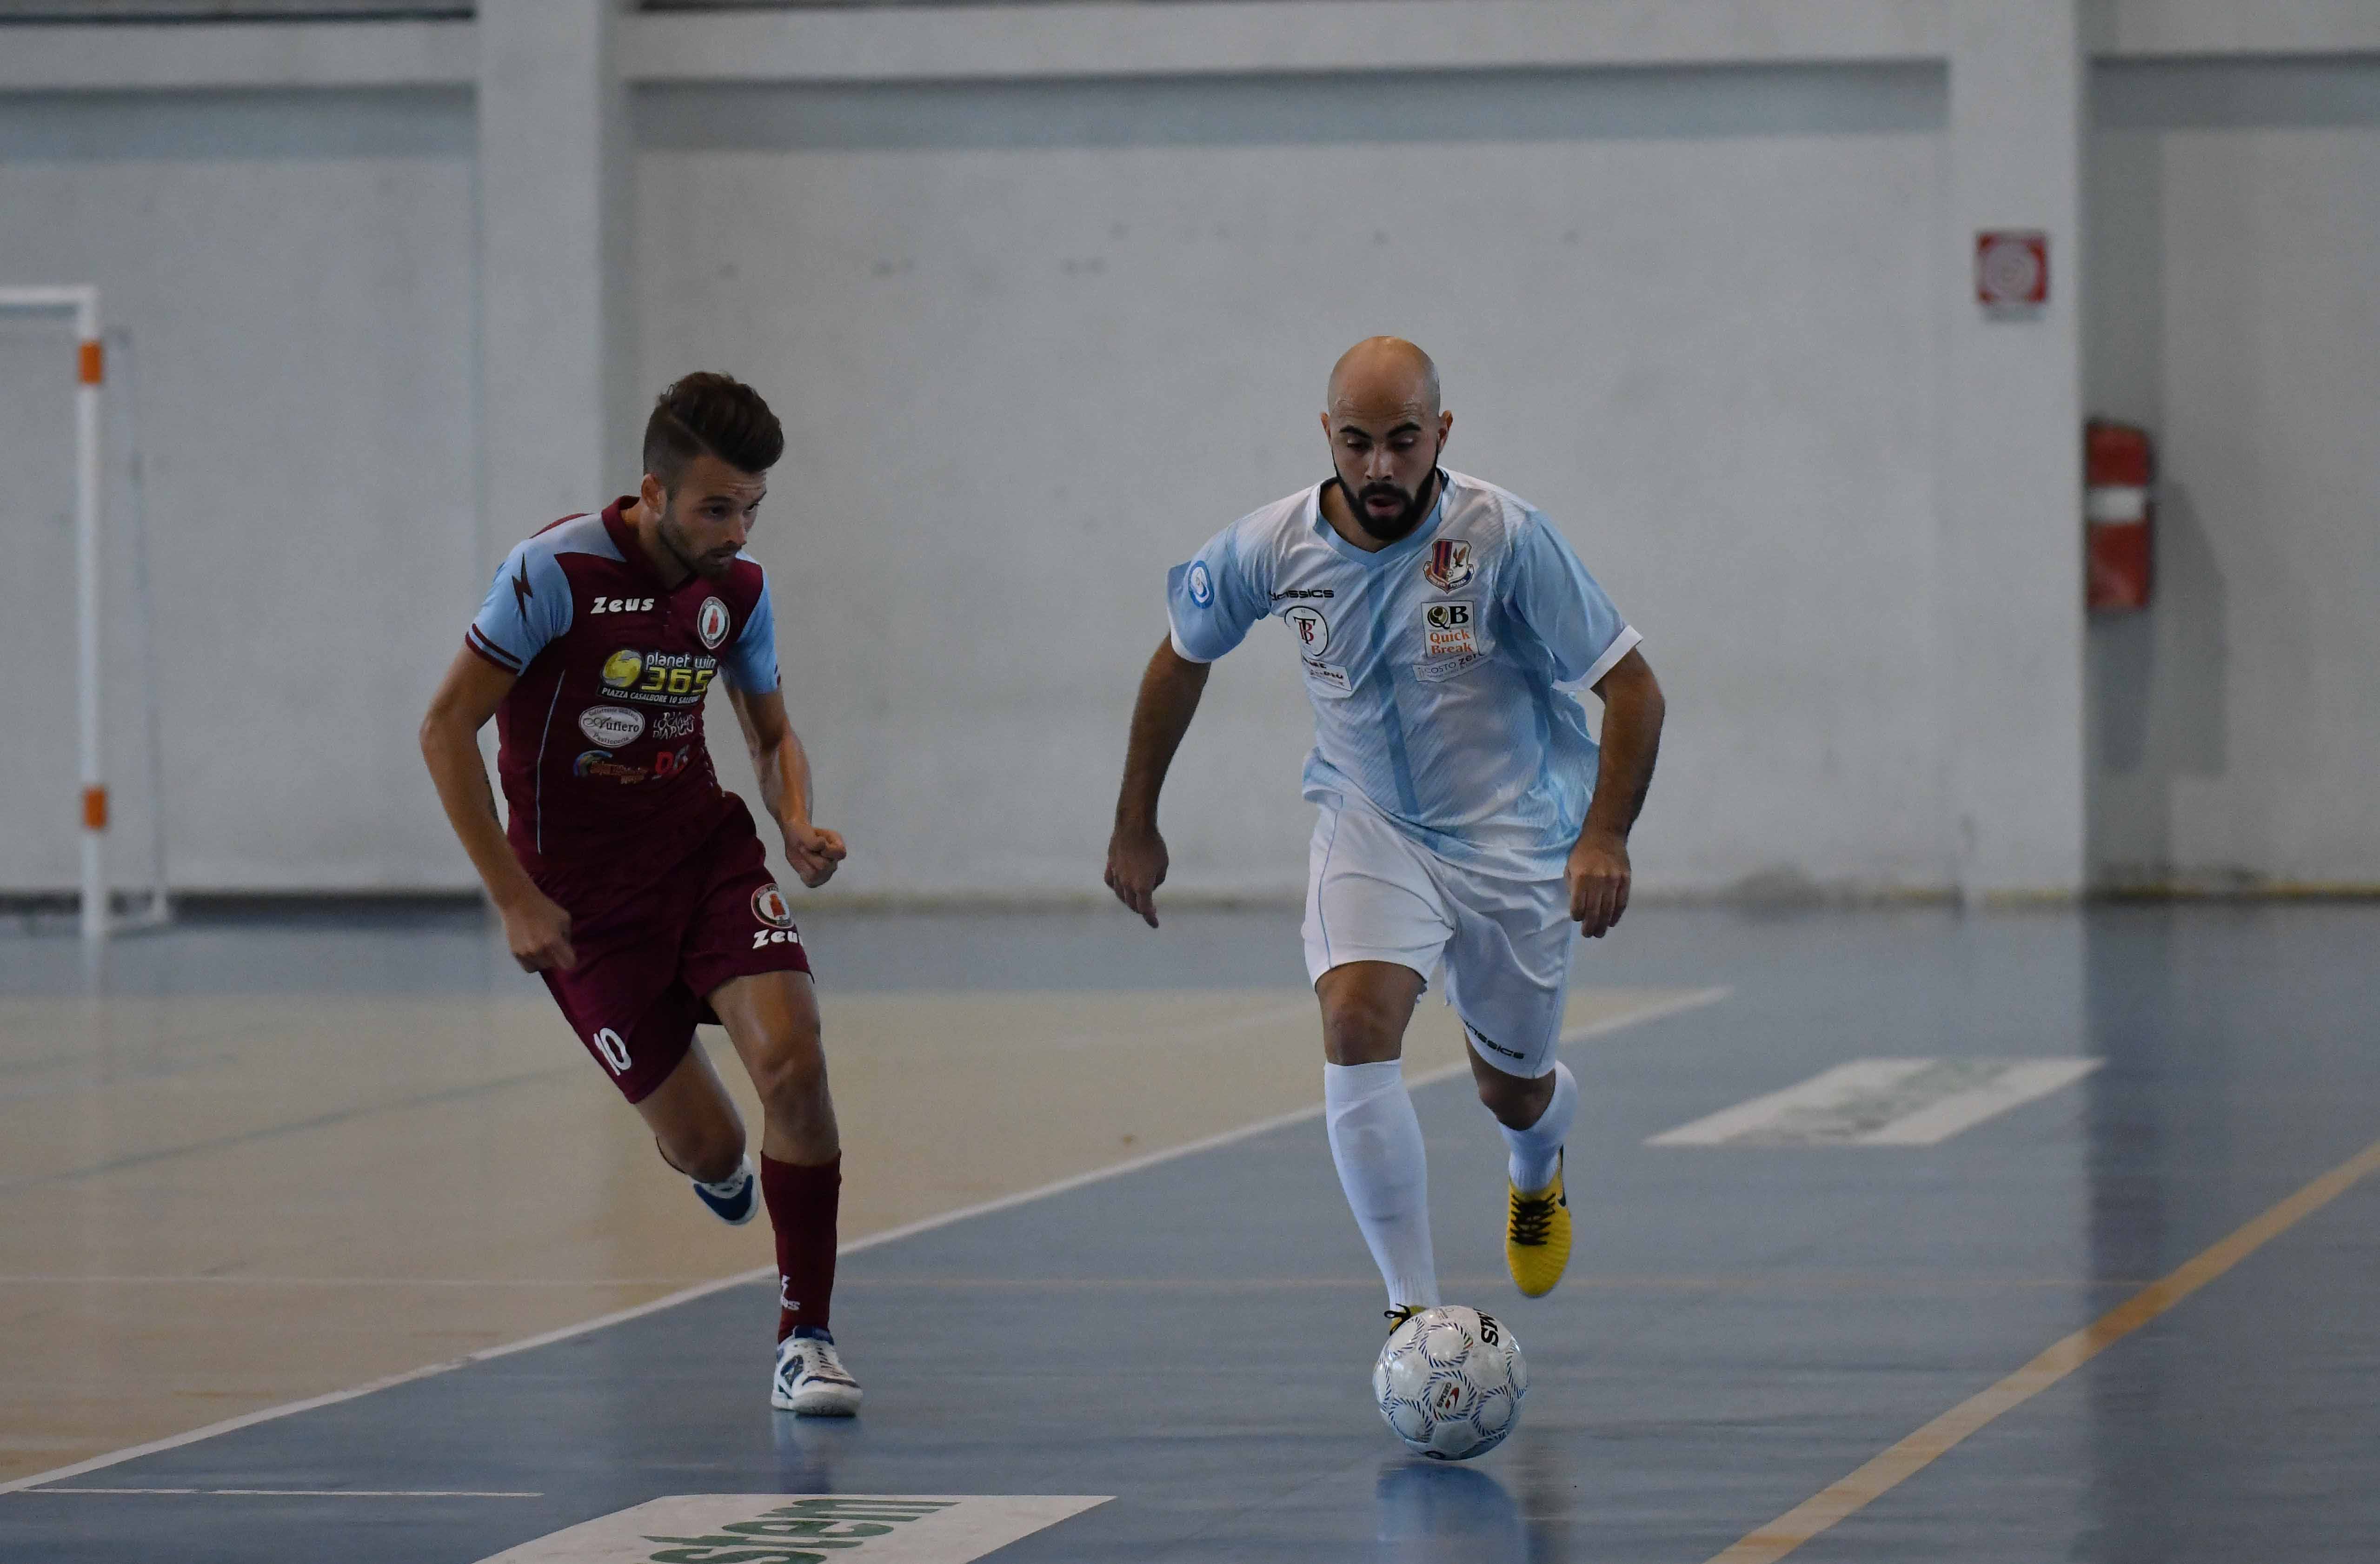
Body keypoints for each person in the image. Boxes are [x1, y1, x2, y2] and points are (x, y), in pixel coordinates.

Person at [1105, 338, 1664, 1330]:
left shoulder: (1505, 536)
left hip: (1515, 843)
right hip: (1374, 829)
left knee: (1511, 1089)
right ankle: (1413, 1314)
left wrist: (1605, 836)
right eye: (1357, 443)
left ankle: (1537, 1160)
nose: (1378, 467)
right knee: (1356, 1021)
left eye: (1403, 442)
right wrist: (1135, 818)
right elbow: (1180, 657)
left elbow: (1633, 686)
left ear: (1441, 433)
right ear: (1327, 435)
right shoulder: (1272, 546)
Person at [419, 372, 861, 1415]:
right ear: (653, 492)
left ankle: (808, 1337)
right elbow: (446, 728)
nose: (738, 528)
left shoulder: (738, 588)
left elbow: (768, 728)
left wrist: (794, 818)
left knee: (794, 1061)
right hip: (582, 905)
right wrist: (513, 897)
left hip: (704, 855)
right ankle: (713, 1168)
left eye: (753, 507)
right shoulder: (553, 571)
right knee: (710, 1142)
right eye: (718, 507)